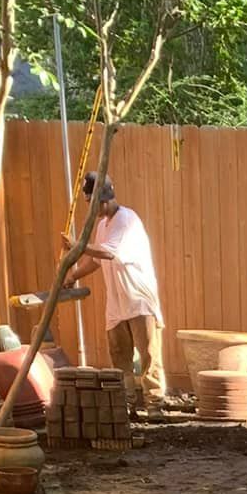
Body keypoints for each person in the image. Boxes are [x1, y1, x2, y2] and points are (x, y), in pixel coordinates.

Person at [64, 175, 166, 408]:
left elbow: (109, 253)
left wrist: (77, 245)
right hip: (117, 303)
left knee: (148, 353)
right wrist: (73, 277)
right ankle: (126, 402)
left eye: (92, 204)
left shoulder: (126, 220)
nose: (91, 209)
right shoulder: (102, 226)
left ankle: (155, 403)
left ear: (103, 200)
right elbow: (95, 260)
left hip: (137, 297)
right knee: (120, 355)